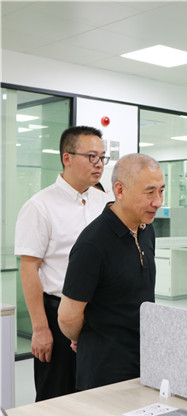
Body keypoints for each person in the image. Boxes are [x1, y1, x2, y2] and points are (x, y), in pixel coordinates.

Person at [14, 125, 111, 401]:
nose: (99, 164)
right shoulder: (40, 206)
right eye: (91, 157)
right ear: (67, 158)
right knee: (56, 397)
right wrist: (40, 329)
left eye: (102, 157)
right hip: (57, 314)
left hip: (99, 314)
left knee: (97, 396)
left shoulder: (106, 203)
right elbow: (29, 268)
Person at [57, 153, 164, 391]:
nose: (158, 202)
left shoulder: (146, 230)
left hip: (144, 359)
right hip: (106, 368)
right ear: (120, 190)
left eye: (161, 191)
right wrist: (87, 337)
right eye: (149, 192)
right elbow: (67, 317)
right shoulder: (93, 244)